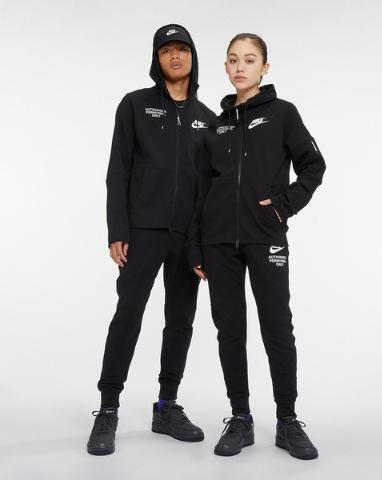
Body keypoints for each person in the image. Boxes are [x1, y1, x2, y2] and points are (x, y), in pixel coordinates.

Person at [186, 33, 326, 459]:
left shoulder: (283, 113)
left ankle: (287, 421)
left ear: (264, 67)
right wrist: (196, 245)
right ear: (226, 68)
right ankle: (241, 418)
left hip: (266, 237)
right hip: (218, 242)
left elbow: (313, 165)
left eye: (249, 60)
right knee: (230, 330)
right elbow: (202, 189)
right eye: (233, 60)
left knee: (277, 327)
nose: (240, 67)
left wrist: (283, 206)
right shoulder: (216, 125)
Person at [87, 24, 216, 456]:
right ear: (156, 59)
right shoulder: (135, 105)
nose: (175, 56)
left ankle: (166, 407)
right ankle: (108, 408)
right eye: (166, 50)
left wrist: (203, 243)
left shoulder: (208, 119)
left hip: (188, 237)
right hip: (141, 232)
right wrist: (118, 230)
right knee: (128, 315)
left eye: (182, 49)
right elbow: (118, 170)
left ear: (193, 57)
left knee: (180, 320)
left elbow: (210, 188)